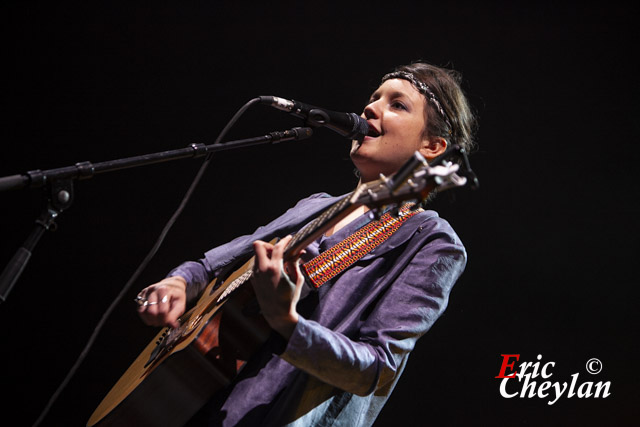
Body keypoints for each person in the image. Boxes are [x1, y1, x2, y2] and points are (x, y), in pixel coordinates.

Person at [135, 61, 477, 426]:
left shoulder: (430, 240)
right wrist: (177, 283)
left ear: (433, 147)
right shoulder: (314, 206)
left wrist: (287, 321)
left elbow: (376, 369)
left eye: (397, 105)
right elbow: (209, 267)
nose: (370, 108)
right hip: (195, 403)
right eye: (374, 97)